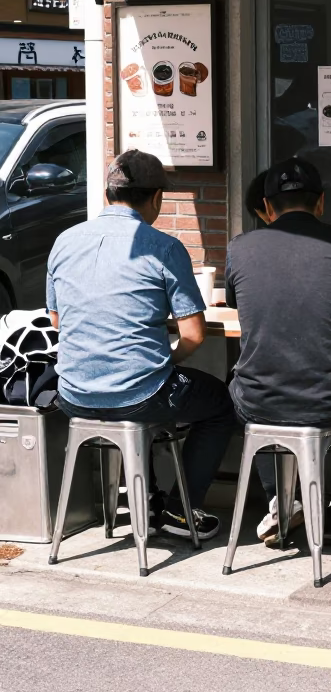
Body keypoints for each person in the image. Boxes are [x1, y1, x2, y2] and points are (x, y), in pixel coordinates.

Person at [46, 150, 236, 540]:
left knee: (148, 393)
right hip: (138, 395)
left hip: (72, 393)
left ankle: (145, 501)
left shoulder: (64, 241)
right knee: (218, 403)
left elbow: (58, 322)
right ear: (156, 199)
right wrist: (161, 359)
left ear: (107, 192)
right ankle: (181, 512)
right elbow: (194, 335)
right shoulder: (163, 247)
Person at [226, 157, 331, 545]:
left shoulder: (240, 248)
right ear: (321, 202)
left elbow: (238, 306)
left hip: (259, 402)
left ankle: (282, 500)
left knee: (250, 390)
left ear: (267, 206)